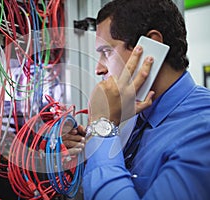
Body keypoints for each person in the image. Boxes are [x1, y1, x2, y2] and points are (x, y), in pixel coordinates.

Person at [63, 0, 210, 199]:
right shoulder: (131, 115)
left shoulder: (202, 131)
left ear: (151, 47)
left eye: (107, 52)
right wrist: (89, 150)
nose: (99, 69)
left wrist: (101, 127)